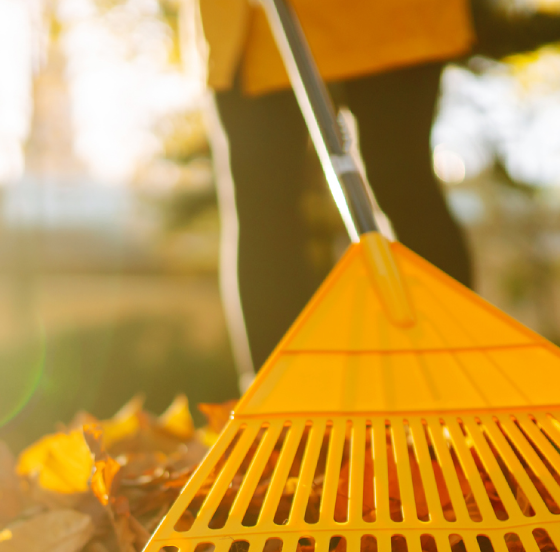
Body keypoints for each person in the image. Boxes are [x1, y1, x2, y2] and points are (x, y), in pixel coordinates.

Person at [193, 0, 478, 382]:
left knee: (403, 179)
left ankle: (455, 377)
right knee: (264, 206)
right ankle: (280, 401)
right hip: (254, 25)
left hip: (388, 15)